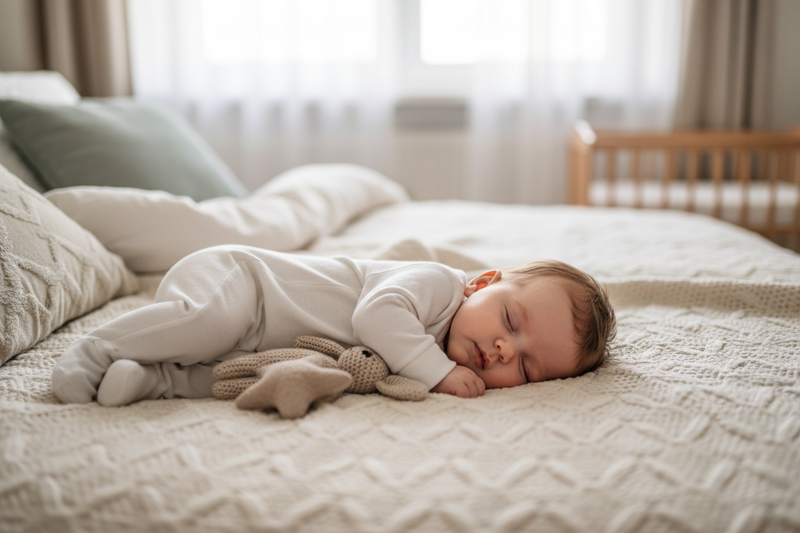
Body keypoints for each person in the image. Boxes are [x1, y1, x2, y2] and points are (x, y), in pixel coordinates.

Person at [52, 245, 616, 406]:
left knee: (232, 380)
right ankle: (100, 349)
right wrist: (438, 373)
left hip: (269, 343)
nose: (501, 348)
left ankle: (148, 379)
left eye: (526, 364)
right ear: (483, 282)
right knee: (204, 323)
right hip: (243, 285)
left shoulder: (445, 333)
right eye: (511, 321)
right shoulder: (439, 283)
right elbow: (376, 316)